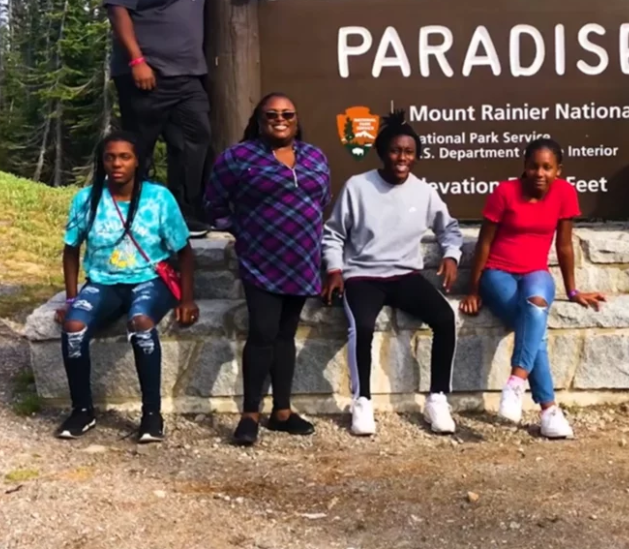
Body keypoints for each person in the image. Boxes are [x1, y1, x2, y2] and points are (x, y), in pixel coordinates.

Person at [104, 0, 268, 237]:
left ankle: (184, 211)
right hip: (145, 75)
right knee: (140, 147)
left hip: (189, 75)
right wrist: (137, 61)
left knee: (195, 140)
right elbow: (117, 9)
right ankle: (133, 215)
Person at [321, 111, 463, 437]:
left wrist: (451, 256)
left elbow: (450, 230)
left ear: (416, 156)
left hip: (404, 275)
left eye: (409, 152)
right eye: (396, 151)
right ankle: (362, 402)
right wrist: (334, 269)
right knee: (363, 326)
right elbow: (334, 235)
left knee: (444, 317)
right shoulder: (358, 187)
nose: (402, 158)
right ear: (383, 152)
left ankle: (438, 399)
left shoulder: (424, 192)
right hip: (363, 275)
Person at [56, 131, 198, 443]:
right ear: (102, 161)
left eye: (125, 157)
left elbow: (185, 252)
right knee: (74, 326)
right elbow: (71, 250)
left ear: (138, 162)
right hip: (103, 282)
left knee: (141, 323)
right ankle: (82, 409)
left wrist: (187, 299)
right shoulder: (86, 199)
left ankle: (151, 415)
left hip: (149, 280)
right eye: (110, 157)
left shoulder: (158, 198)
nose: (117, 163)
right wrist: (70, 298)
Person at [204, 93, 331, 446]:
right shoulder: (238, 158)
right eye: (271, 114)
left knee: (285, 335)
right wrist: (243, 228)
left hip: (303, 261)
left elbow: (323, 201)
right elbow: (213, 204)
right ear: (259, 119)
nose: (280, 118)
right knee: (262, 333)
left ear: (296, 118)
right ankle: (250, 414)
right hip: (261, 260)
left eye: (287, 114)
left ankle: (283, 412)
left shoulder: (315, 156)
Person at [460, 139, 605, 439]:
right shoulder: (504, 192)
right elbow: (484, 244)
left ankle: (516, 382)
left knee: (536, 304)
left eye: (547, 167)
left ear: (558, 170)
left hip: (535, 273)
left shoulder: (565, 193)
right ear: (524, 168)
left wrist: (573, 291)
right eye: (534, 166)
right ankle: (549, 409)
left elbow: (564, 246)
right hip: (498, 273)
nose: (540, 173)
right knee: (533, 327)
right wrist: (473, 289)